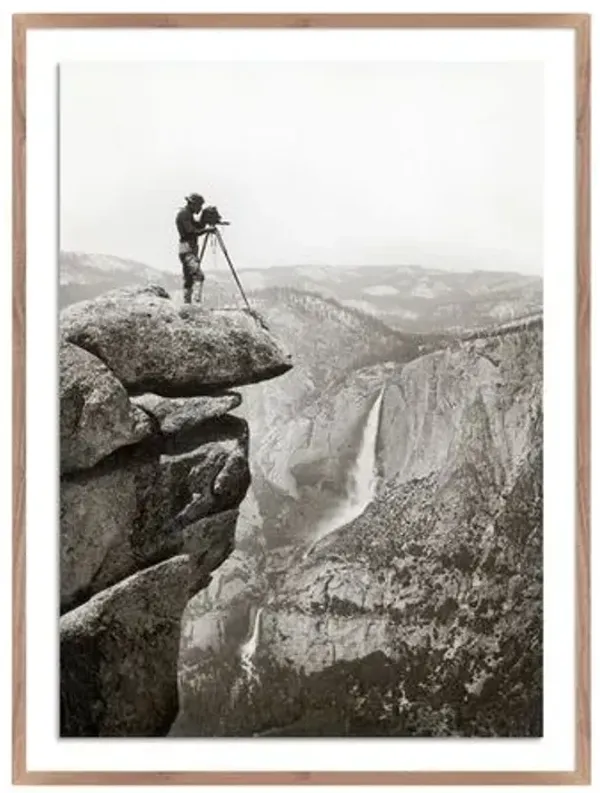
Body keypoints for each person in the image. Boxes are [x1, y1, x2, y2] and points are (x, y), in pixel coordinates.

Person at [175, 193, 212, 303]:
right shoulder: (184, 215)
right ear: (193, 204)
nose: (200, 209)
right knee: (198, 276)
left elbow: (198, 226)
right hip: (187, 250)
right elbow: (191, 231)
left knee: (189, 279)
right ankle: (196, 304)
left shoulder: (187, 214)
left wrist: (205, 220)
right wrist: (206, 230)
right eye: (199, 206)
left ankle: (187, 305)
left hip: (187, 249)